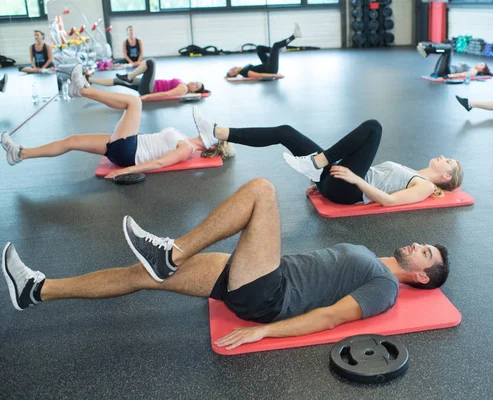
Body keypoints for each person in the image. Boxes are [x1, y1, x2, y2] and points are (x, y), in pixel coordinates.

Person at [1, 178, 450, 350]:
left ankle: (169, 252)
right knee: (141, 277)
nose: (416, 244)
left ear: (420, 277)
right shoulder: (372, 258)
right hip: (256, 275)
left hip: (268, 295)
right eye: (424, 244)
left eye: (425, 253)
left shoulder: (385, 288)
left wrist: (265, 330)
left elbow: (331, 318)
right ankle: (36, 289)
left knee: (261, 191)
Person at [1, 65, 233, 178]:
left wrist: (124, 172)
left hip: (129, 151)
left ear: (212, 144)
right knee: (72, 140)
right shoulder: (186, 139)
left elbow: (158, 165)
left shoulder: (187, 148)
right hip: (126, 147)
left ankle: (83, 90)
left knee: (135, 103)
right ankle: (20, 154)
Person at [193, 112, 463, 206]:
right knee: (286, 132)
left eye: (448, 161)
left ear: (446, 177)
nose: (443, 156)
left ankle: (317, 164)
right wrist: (323, 185)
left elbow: (389, 201)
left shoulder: (426, 186)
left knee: (373, 127)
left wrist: (355, 179)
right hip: (338, 181)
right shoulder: (412, 172)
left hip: (348, 188)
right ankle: (217, 133)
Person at [88, 59, 207, 101]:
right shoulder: (184, 83)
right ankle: (90, 80)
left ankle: (129, 77)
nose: (194, 83)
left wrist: (145, 97)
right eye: (196, 82)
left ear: (193, 92)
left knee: (151, 62)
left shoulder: (183, 88)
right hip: (147, 86)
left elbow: (165, 94)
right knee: (117, 81)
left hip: (149, 89)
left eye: (196, 86)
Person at [226, 23, 302, 79]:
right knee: (275, 45)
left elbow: (227, 77)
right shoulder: (244, 72)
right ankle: (294, 36)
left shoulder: (243, 69)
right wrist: (274, 75)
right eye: (233, 71)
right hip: (270, 69)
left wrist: (227, 76)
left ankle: (279, 49)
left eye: (231, 69)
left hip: (266, 65)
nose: (233, 69)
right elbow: (258, 75)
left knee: (259, 48)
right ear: (236, 74)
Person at [417, 41, 492, 79]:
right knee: (445, 51)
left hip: (446, 71)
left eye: (482, 65)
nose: (479, 64)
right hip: (443, 70)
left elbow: (464, 75)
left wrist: (449, 76)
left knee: (449, 49)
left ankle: (428, 49)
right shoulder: (472, 68)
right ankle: (427, 50)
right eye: (481, 63)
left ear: (482, 70)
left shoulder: (474, 71)